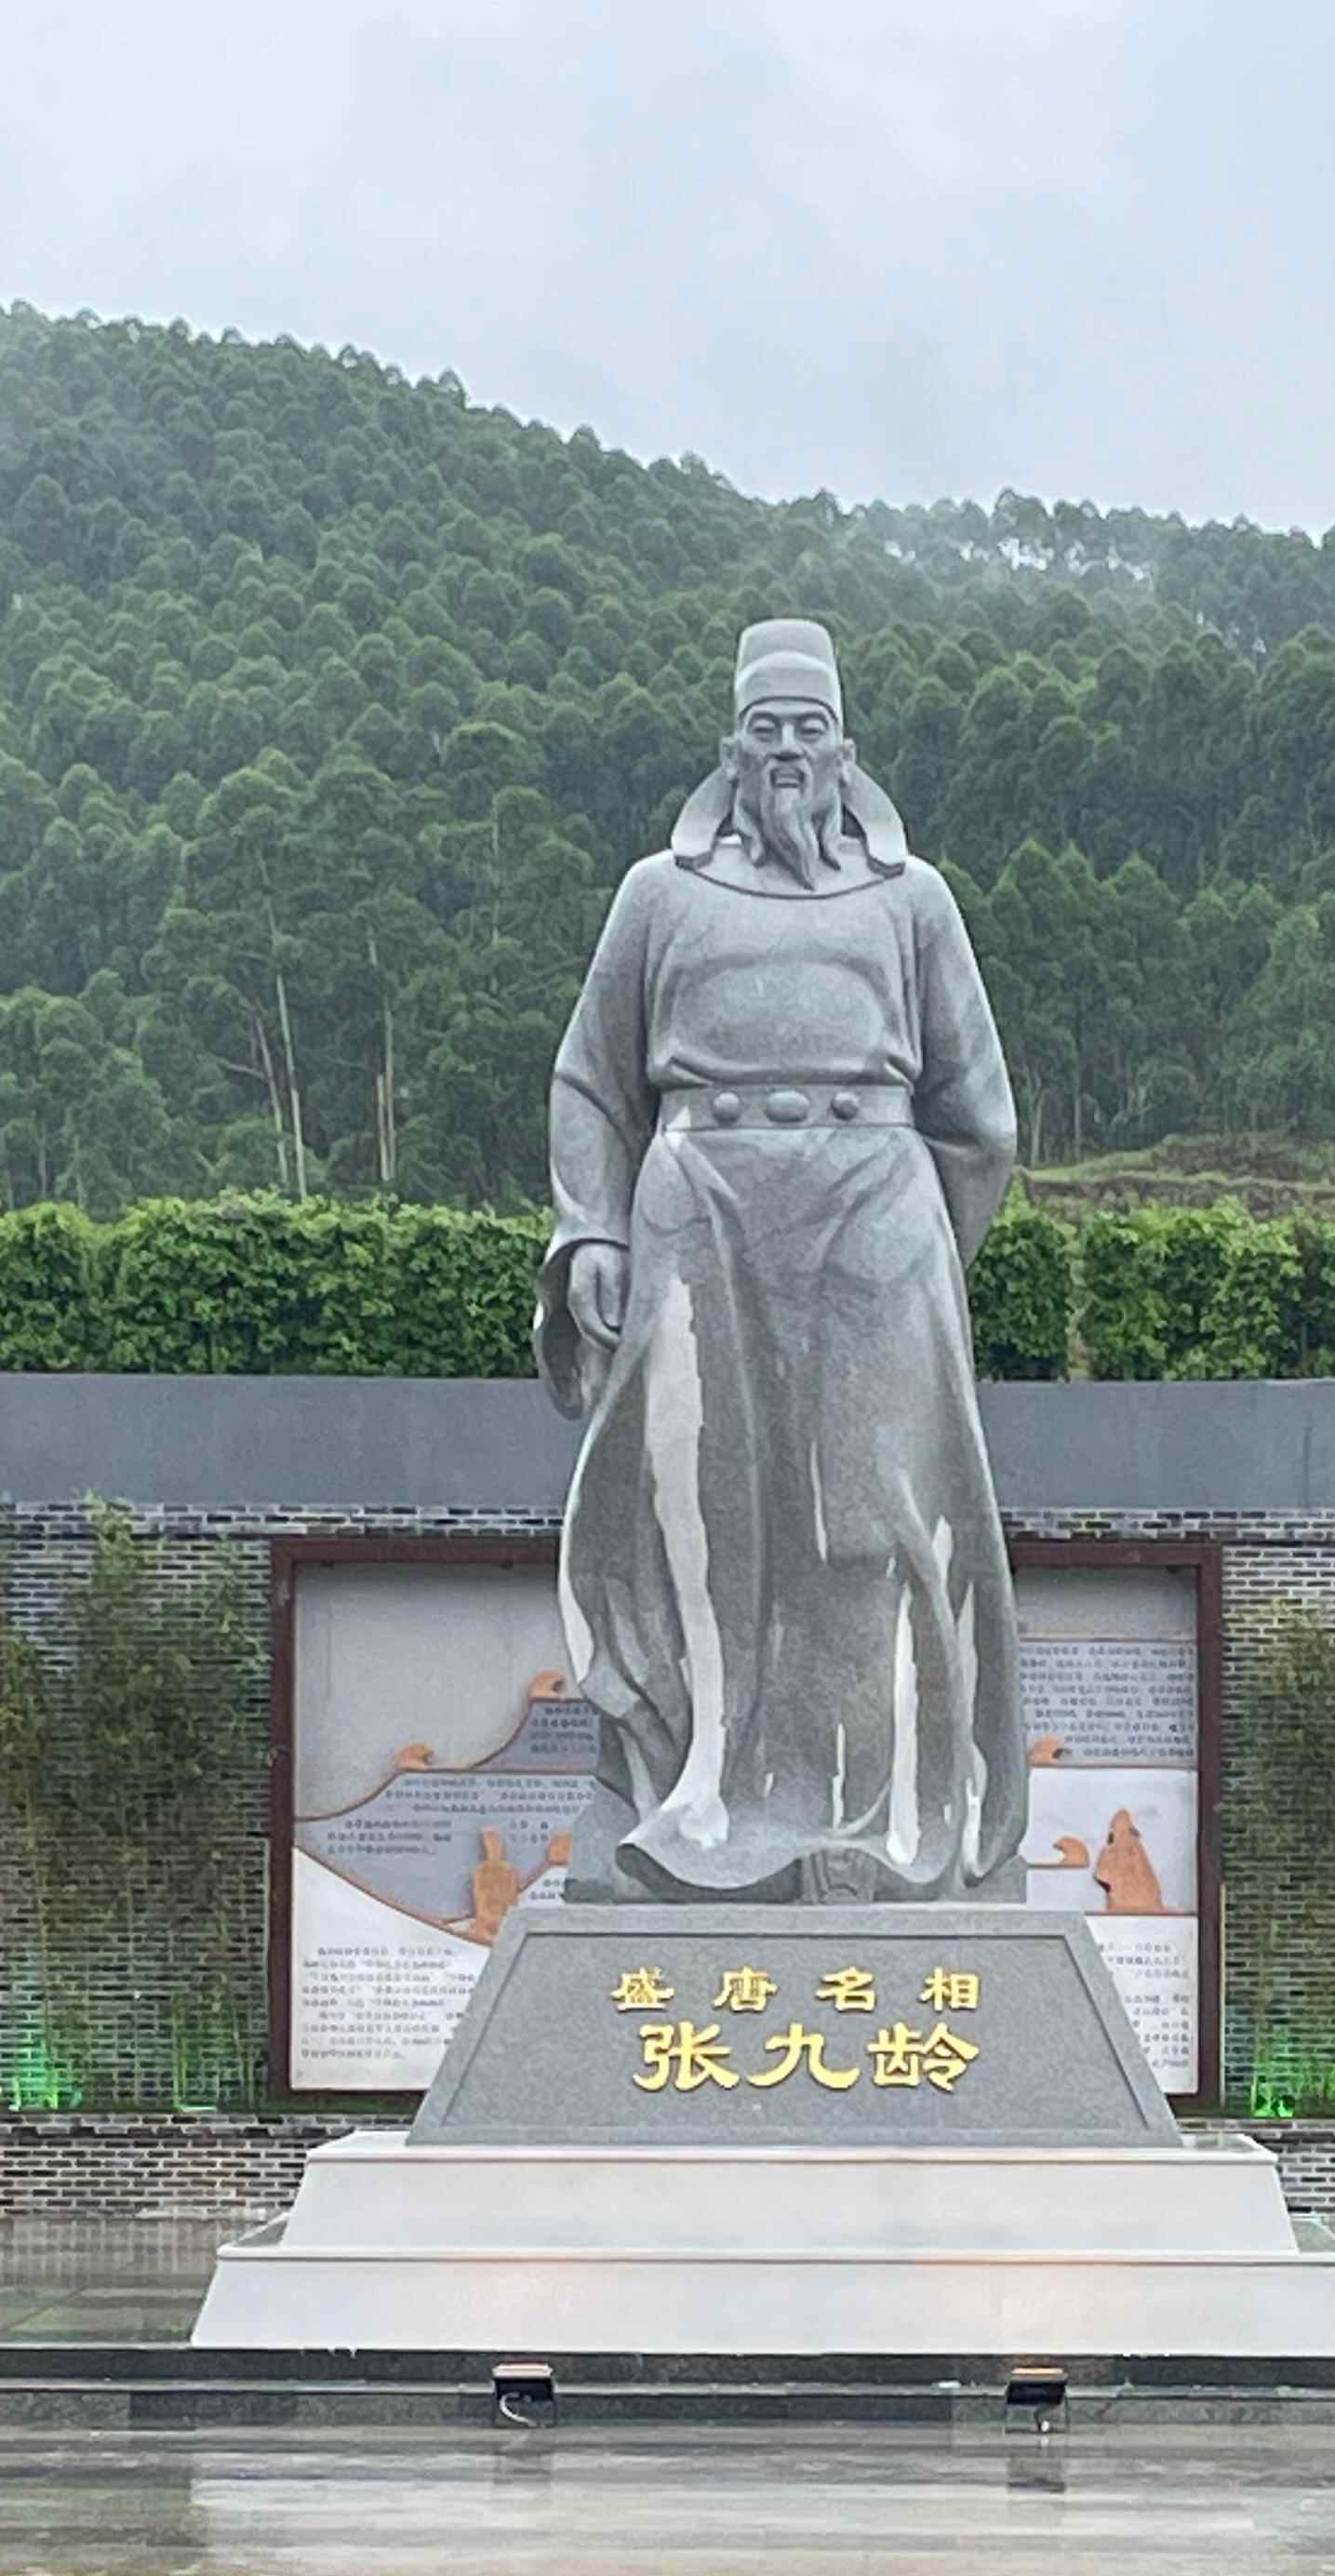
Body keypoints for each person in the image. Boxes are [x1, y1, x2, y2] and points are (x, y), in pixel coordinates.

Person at [538, 620, 1027, 1905]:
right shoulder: (659, 895)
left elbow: (981, 1117)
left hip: (875, 1217)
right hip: (699, 1212)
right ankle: (692, 1798)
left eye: (813, 732)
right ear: (732, 753)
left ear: (846, 755)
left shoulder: (913, 902)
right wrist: (592, 1228)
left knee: (876, 1522)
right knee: (698, 1514)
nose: (791, 754)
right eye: (769, 732)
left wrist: (920, 1266)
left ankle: (890, 1817)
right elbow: (591, 1084)